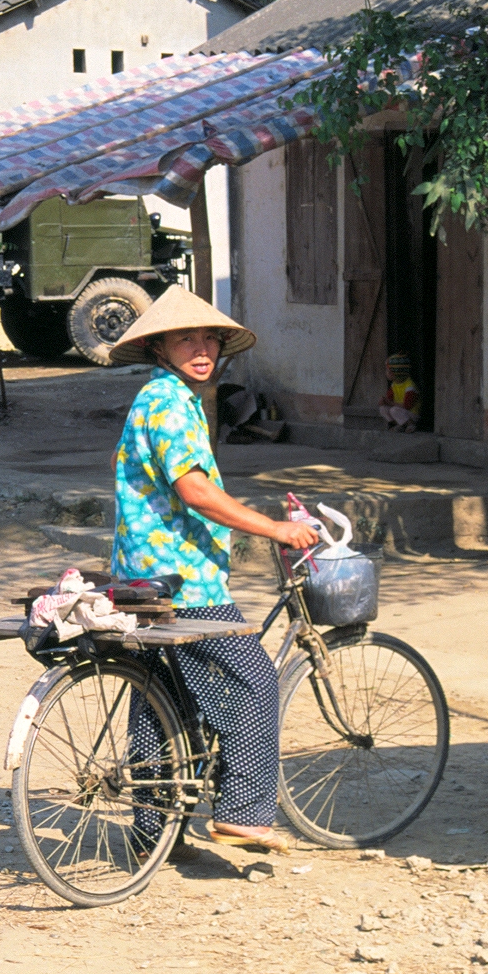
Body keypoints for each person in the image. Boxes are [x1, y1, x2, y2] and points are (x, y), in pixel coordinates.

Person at [108, 285, 321, 855]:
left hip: (139, 577)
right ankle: (242, 813)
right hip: (183, 583)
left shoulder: (156, 398)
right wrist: (274, 529)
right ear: (158, 348)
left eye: (209, 339)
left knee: (162, 700)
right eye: (186, 339)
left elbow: (157, 477)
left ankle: (153, 833)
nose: (202, 349)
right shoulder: (171, 404)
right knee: (255, 682)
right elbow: (195, 491)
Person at [380, 353, 421, 432]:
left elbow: (407, 406)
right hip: (401, 410)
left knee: (394, 410)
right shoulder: (394, 384)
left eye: (388, 371)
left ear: (393, 373)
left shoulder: (410, 386)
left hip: (411, 413)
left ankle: (411, 424)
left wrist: (390, 403)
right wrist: (384, 401)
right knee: (383, 409)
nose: (386, 373)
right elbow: (390, 398)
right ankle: (401, 425)